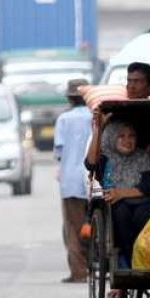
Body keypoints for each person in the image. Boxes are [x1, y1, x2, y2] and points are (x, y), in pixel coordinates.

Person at [85, 121, 150, 298]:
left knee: (144, 214)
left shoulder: (143, 158)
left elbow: (149, 186)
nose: (127, 140)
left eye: (131, 136)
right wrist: (98, 130)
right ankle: (127, 263)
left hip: (141, 202)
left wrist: (122, 192)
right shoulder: (105, 158)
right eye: (122, 136)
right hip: (115, 207)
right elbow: (89, 163)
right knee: (120, 214)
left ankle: (144, 260)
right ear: (112, 138)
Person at [53, 78, 92, 283]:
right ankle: (98, 264)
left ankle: (79, 271)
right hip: (95, 179)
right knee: (94, 223)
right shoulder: (96, 116)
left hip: (70, 181)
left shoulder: (64, 120)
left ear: (69, 98)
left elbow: (59, 151)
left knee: (73, 228)